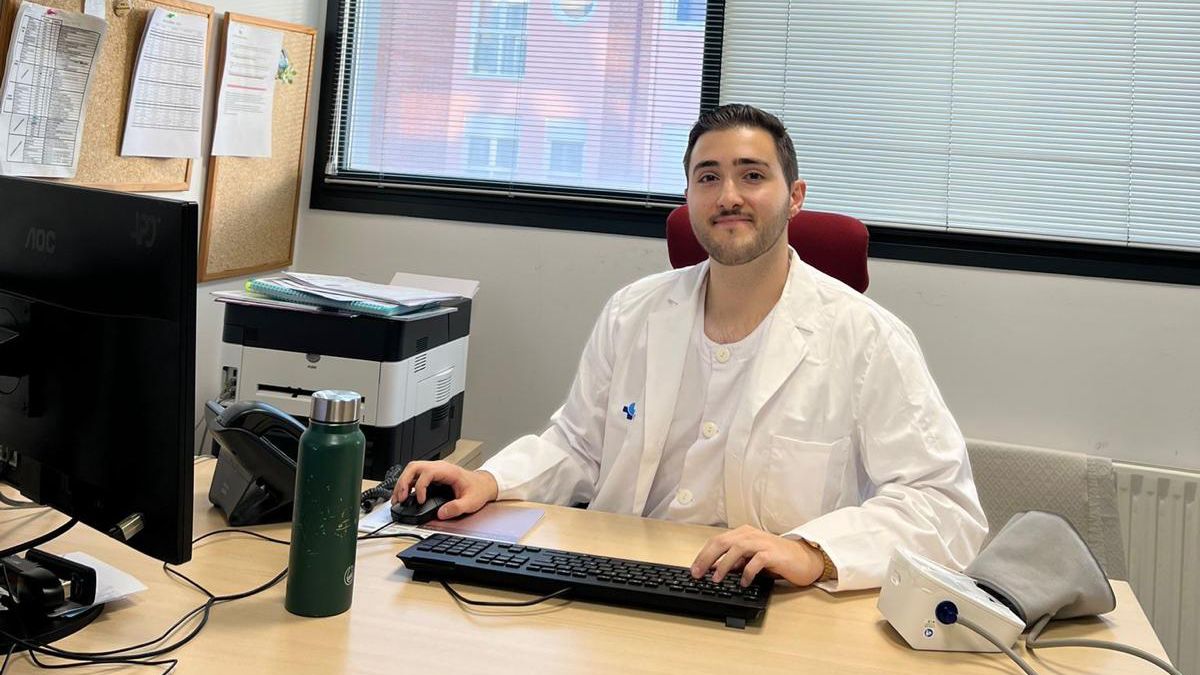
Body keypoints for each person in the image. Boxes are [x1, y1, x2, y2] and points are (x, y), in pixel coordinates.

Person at [393, 104, 987, 591]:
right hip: (615, 578)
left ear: (795, 196)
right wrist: (492, 479)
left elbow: (943, 508)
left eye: (753, 175)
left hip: (775, 604)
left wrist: (813, 550)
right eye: (708, 177)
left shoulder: (867, 338)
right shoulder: (633, 312)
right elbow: (579, 447)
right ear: (688, 198)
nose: (729, 195)